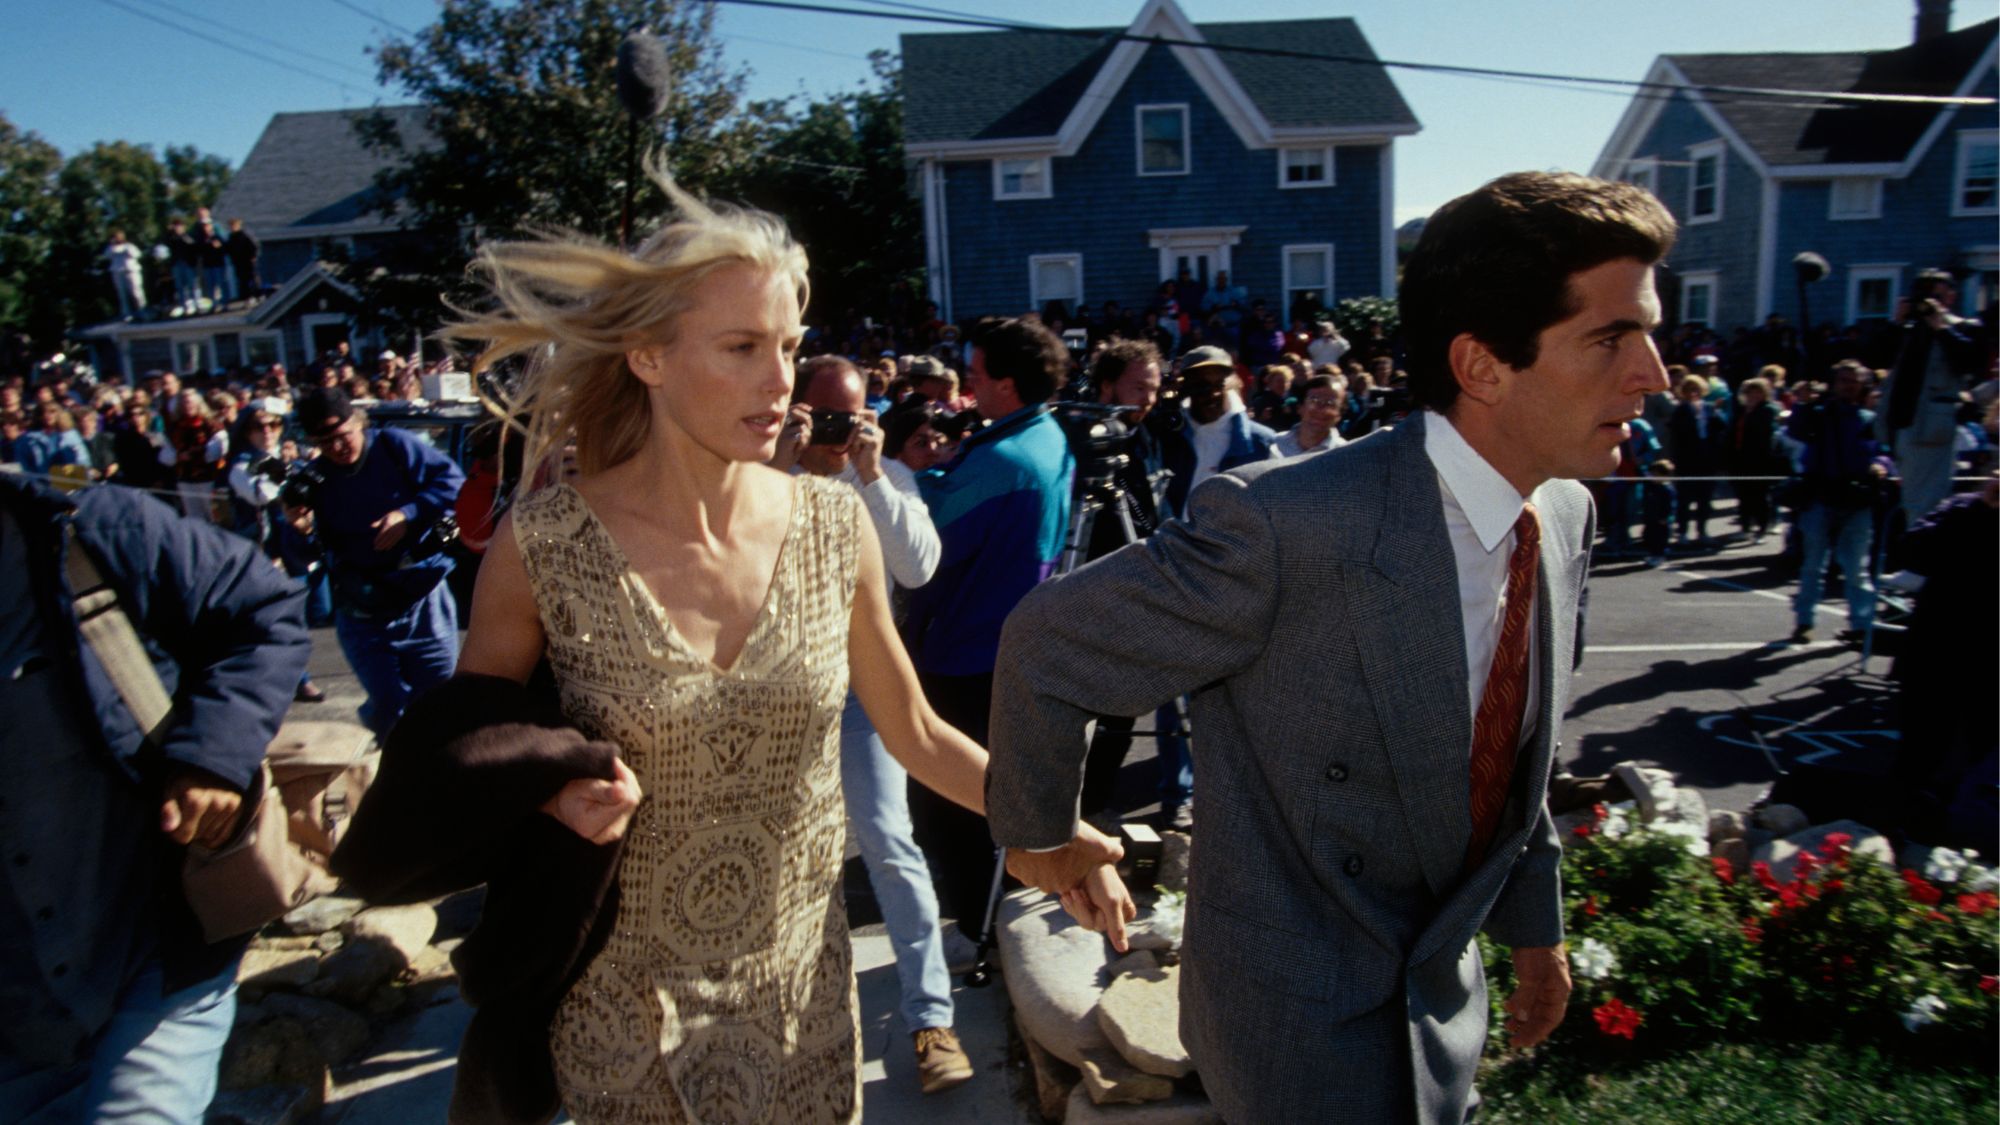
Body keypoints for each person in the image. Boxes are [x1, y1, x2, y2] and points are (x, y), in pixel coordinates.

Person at [988, 171, 1678, 1122]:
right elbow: (1048, 641)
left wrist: (1536, 929)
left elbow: (1517, 755)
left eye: (1649, 333)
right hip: (1290, 1031)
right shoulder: (1288, 524)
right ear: (1481, 366)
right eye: (1610, 338)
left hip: (1439, 1014)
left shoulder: (1563, 512)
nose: (1655, 373)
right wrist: (1043, 838)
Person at [437, 188, 1125, 1122]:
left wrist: (1050, 830)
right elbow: (469, 745)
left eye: (790, 347)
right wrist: (550, 792)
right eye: (741, 347)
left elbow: (917, 732)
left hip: (801, 1005)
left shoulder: (834, 526)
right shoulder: (544, 544)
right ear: (648, 355)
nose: (779, 381)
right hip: (625, 1012)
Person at [0, 470, 309, 1122]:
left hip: (157, 956)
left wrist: (211, 758)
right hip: (17, 1019)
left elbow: (262, 608)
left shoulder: (89, 533)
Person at [768, 354, 973, 1093]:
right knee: (780, 860)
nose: (835, 433)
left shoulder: (882, 477)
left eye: (850, 418)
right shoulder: (758, 477)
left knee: (890, 842)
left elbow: (918, 567)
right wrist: (780, 465)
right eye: (823, 416)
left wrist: (872, 476)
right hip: (775, 692)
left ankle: (931, 1021)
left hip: (863, 688)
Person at [904, 316, 1079, 936]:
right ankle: (998, 924)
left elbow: (922, 538)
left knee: (948, 805)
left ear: (1006, 383)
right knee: (992, 799)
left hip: (966, 653)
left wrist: (903, 467)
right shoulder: (1047, 435)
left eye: (976, 374)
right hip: (1012, 642)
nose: (968, 384)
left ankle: (979, 930)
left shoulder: (1001, 459)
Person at [286, 386, 464, 737]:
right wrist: (299, 528)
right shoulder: (315, 481)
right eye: (325, 442)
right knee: (388, 705)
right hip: (362, 608)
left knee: (439, 700)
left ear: (358, 421)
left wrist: (408, 514)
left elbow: (455, 483)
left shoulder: (395, 446)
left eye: (342, 435)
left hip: (422, 599)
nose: (338, 447)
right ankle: (396, 762)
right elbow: (302, 556)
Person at [1076, 338, 1193, 828]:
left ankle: (1095, 804)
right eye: (1138, 388)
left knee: (1122, 711)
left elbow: (1165, 495)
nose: (1149, 399)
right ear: (1106, 387)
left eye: (1154, 388)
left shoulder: (1149, 436)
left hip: (1139, 591)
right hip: (1090, 591)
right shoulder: (1084, 442)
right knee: (1081, 715)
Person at [1785, 360, 1890, 645]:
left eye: (1854, 381)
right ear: (1834, 383)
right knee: (1812, 565)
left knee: (1856, 568)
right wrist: (1804, 403)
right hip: (1820, 495)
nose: (1848, 386)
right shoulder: (1818, 413)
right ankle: (1804, 622)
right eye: (1843, 380)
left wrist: (1881, 464)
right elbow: (1795, 431)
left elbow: (1885, 450)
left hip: (1857, 499)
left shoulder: (1869, 419)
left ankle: (1861, 625)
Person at [1878, 270, 1983, 520]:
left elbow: (1971, 363)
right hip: (1897, 424)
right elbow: (1876, 358)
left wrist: (1941, 328)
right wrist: (1896, 323)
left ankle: (1918, 544)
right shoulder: (1908, 328)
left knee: (1924, 506)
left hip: (1930, 428)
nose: (1929, 303)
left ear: (1951, 297)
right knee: (1906, 504)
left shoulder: (1963, 327)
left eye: (1937, 296)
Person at [1161, 345, 1278, 517]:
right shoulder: (1167, 435)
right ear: (1186, 387)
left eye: (1219, 384)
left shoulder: (1261, 442)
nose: (1213, 394)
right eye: (1202, 386)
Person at [1726, 376, 1783, 542]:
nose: (1753, 395)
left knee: (1760, 496)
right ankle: (1745, 527)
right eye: (1750, 392)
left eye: (1757, 392)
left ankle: (1762, 528)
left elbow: (1767, 435)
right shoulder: (1741, 410)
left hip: (1760, 459)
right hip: (1740, 459)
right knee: (1743, 495)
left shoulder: (1768, 410)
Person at [1274, 373, 1348, 459]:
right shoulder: (1275, 443)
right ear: (1300, 407)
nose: (1321, 409)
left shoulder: (1345, 455)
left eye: (1330, 403)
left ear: (1339, 415)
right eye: (1314, 400)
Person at [104, 230, 147, 319]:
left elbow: (138, 255)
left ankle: (142, 310)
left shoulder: (129, 246)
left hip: (131, 271)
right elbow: (107, 256)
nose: (115, 239)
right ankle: (127, 313)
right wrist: (113, 247)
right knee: (122, 294)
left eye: (117, 237)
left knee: (136, 292)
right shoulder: (110, 248)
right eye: (113, 238)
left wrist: (127, 251)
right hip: (118, 273)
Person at [224, 219, 260, 300]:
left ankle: (256, 294)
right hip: (238, 262)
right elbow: (228, 249)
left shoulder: (245, 234)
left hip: (247, 261)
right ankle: (245, 296)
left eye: (234, 225)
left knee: (252, 278)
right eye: (231, 226)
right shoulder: (231, 236)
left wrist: (253, 256)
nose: (232, 227)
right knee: (242, 280)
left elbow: (254, 246)